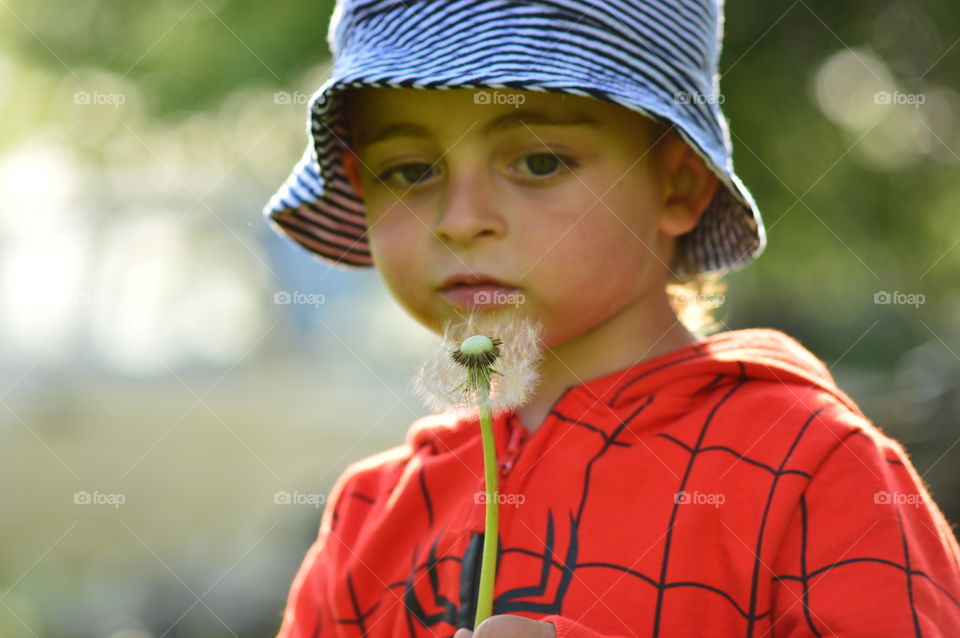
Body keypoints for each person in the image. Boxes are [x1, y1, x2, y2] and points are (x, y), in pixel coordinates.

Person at [261, 1, 960, 636]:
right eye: (410, 172)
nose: (461, 220)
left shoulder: (809, 467)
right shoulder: (373, 514)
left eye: (538, 160)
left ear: (678, 184)